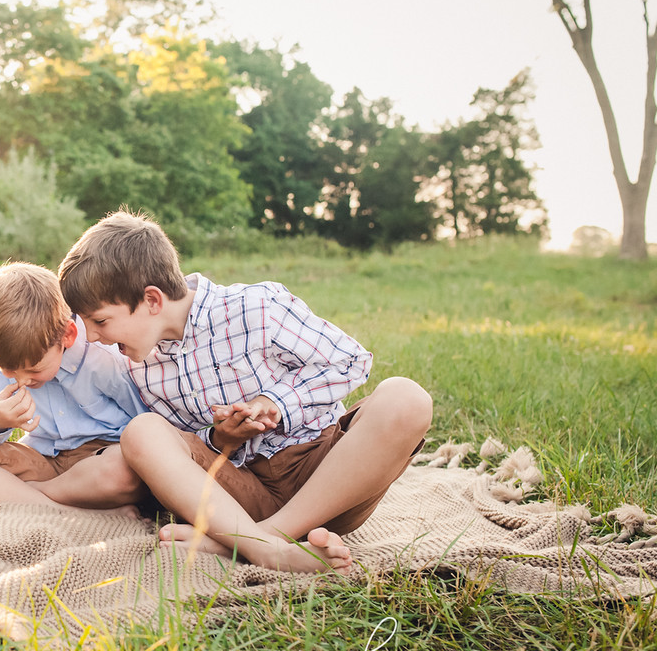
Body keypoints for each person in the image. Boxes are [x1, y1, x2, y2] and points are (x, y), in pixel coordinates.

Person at [57, 211, 433, 574]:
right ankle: (262, 544)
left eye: (101, 321)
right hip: (240, 492)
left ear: (152, 300)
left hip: (327, 473)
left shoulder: (256, 307)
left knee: (407, 398)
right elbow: (184, 453)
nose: (92, 336)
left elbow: (350, 361)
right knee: (141, 431)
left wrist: (276, 402)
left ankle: (263, 541)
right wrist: (219, 437)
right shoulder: (139, 365)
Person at [0, 261, 149, 510]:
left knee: (123, 472)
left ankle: (27, 496)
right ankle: (61, 508)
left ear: (67, 336)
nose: (20, 380)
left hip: (100, 458)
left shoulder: (101, 357)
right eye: (8, 371)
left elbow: (146, 422)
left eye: (34, 369)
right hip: (42, 457)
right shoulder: (3, 353)